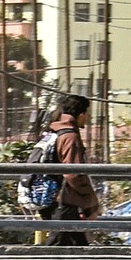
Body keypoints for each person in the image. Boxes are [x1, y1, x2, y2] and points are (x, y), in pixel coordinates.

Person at [40, 94, 101, 246]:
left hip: (57, 200)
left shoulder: (55, 132)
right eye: (87, 114)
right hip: (64, 202)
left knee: (78, 247)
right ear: (81, 115)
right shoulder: (70, 137)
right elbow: (74, 174)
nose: (87, 118)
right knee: (57, 247)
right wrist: (91, 203)